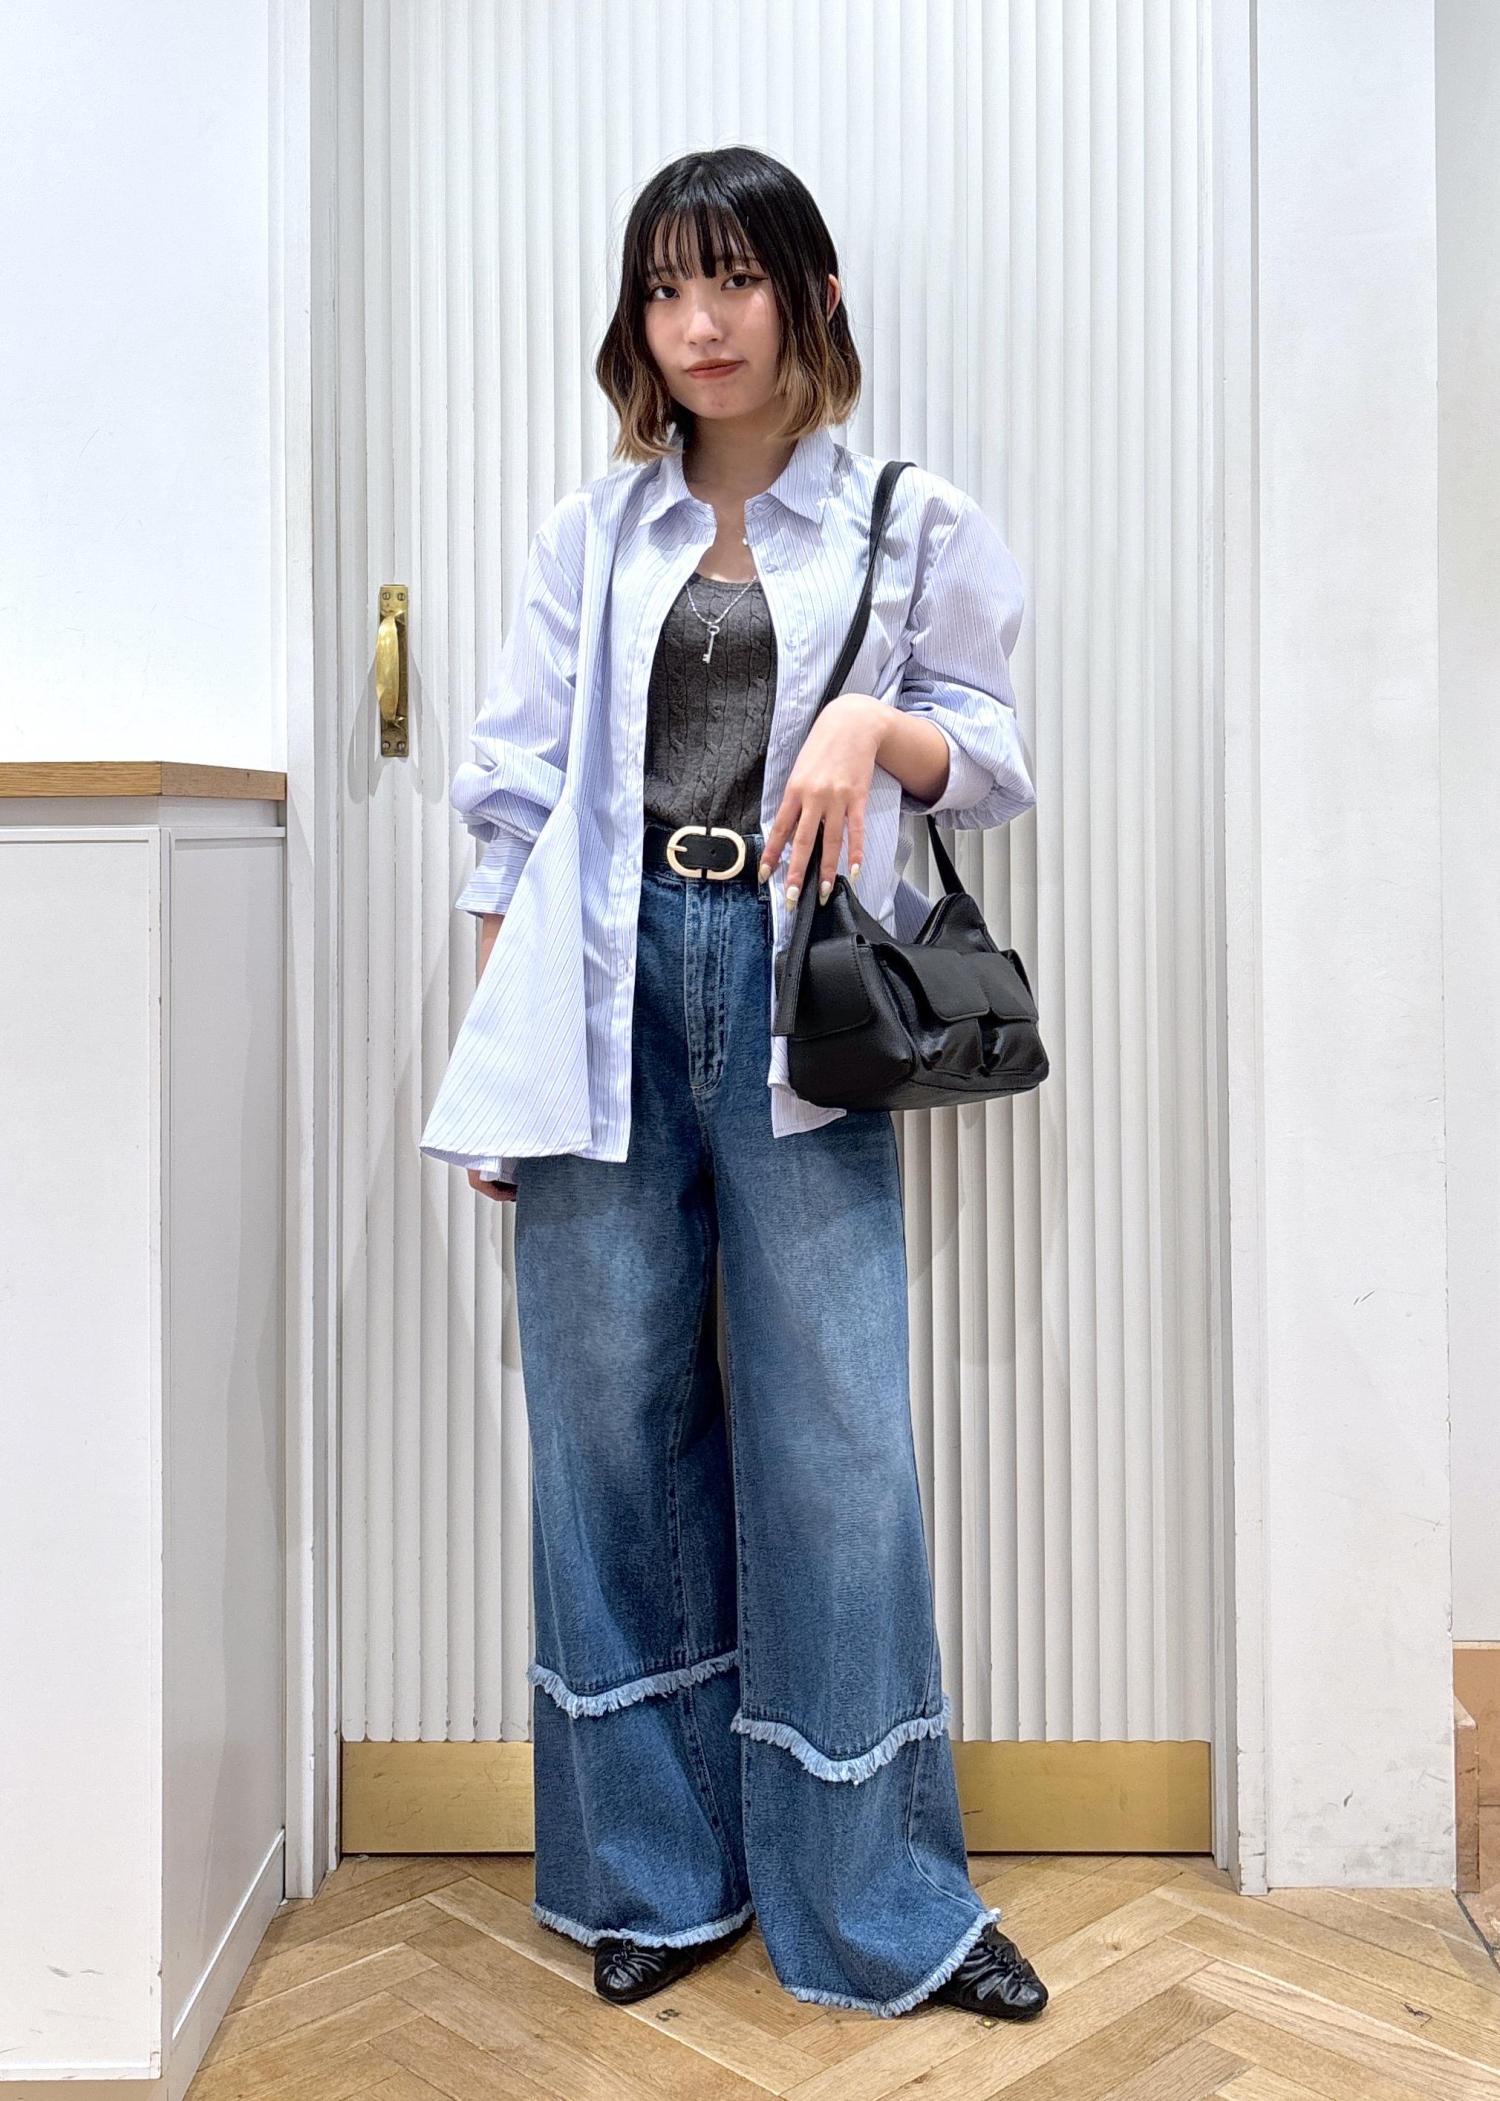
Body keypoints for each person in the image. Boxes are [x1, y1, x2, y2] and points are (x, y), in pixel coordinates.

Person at [419, 146, 1048, 2023]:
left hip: (799, 999)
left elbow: (996, 757)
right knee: (607, 1437)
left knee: (836, 1445)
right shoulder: (591, 534)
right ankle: (650, 1874)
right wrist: (505, 1057)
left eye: (735, 281)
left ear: (811, 298)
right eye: (665, 287)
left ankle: (878, 1896)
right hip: (597, 989)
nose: (698, 322)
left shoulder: (908, 521)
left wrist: (871, 722)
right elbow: (515, 803)